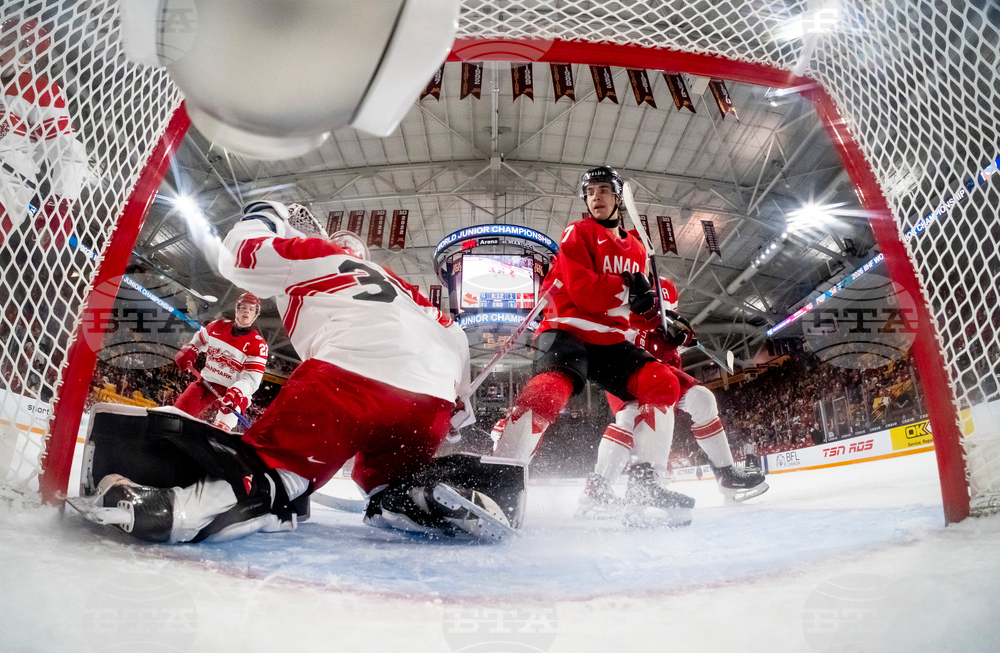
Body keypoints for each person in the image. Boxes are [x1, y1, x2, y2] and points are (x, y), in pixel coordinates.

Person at [75, 201, 523, 543]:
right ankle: (416, 496)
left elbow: (239, 257)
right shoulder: (403, 289)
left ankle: (184, 510)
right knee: (384, 480)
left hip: (350, 380)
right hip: (428, 406)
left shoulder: (316, 254)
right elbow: (457, 338)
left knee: (275, 467)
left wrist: (262, 215)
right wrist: (454, 415)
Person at [490, 166, 692, 526]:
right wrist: (631, 289)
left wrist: (666, 327)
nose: (595, 197)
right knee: (555, 388)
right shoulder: (577, 232)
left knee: (663, 382)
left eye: (603, 190)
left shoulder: (637, 251)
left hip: (611, 339)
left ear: (617, 197)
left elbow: (638, 310)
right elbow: (583, 290)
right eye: (590, 192)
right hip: (568, 327)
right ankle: (499, 479)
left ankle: (644, 488)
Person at [578, 277, 768, 517]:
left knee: (703, 399)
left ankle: (726, 475)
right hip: (626, 367)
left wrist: (676, 338)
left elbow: (667, 346)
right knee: (629, 417)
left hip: (659, 371)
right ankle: (598, 489)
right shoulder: (619, 290)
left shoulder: (666, 297)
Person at [0, 16, 89, 245]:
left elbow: (67, 152)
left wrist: (60, 205)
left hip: (4, 188)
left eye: (6, 43)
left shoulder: (38, 88)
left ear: (27, 56)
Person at [172, 292, 268, 432]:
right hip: (206, 383)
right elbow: (199, 339)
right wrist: (190, 349)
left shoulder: (258, 345)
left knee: (219, 432)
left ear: (255, 315)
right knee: (177, 414)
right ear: (237, 310)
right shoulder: (217, 326)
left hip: (234, 393)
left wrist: (235, 393)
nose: (246, 311)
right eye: (243, 307)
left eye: (251, 309)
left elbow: (252, 380)